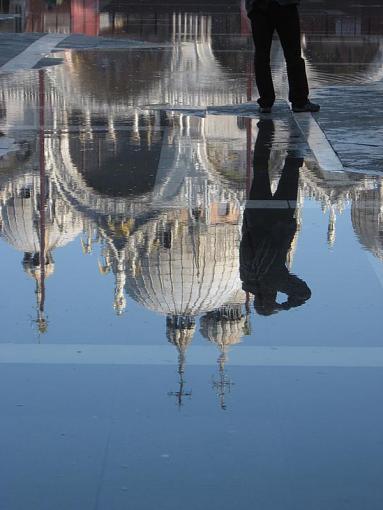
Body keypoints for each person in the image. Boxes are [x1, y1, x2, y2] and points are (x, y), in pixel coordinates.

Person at [240, 119, 311, 315]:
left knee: (291, 167)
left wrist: (285, 306)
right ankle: (265, 128)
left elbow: (304, 293)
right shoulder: (245, 278)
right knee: (260, 168)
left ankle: (297, 127)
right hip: (256, 215)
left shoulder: (274, 280)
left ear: (271, 298)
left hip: (280, 218)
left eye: (272, 300)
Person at [246, 0, 320, 113]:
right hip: (283, 6)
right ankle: (299, 101)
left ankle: (266, 102)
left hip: (260, 7)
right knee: (293, 55)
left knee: (262, 56)